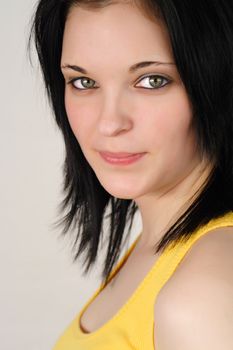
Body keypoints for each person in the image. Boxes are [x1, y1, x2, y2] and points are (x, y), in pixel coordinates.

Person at [28, 0, 233, 349]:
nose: (109, 123)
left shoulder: (203, 293)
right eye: (83, 82)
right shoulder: (165, 249)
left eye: (152, 81)